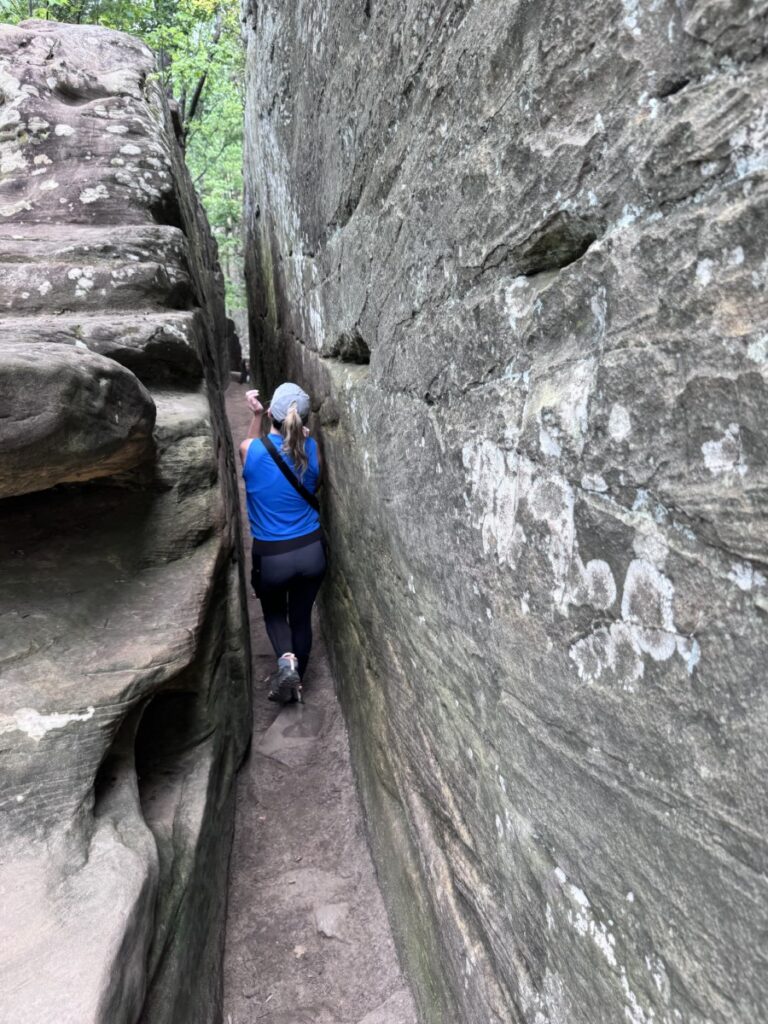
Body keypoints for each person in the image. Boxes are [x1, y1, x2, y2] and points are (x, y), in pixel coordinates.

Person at [239, 382, 325, 704]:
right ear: (302, 423)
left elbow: (247, 443)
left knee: (274, 612)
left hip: (272, 558)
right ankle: (297, 680)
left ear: (271, 413)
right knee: (301, 617)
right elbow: (314, 483)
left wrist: (256, 415)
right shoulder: (312, 448)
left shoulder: (252, 451)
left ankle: (286, 661)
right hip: (312, 552)